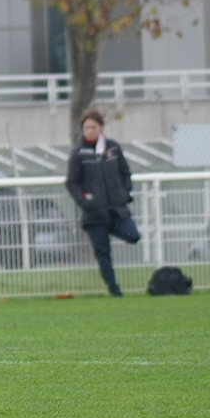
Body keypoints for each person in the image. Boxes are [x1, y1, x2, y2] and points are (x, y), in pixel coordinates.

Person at [65, 108, 139, 297]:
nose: (90, 130)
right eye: (86, 127)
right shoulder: (79, 153)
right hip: (94, 214)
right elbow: (72, 182)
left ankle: (112, 227)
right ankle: (114, 289)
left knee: (133, 236)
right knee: (103, 252)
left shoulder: (112, 148)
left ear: (101, 128)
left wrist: (126, 193)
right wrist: (84, 201)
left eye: (93, 127)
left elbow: (125, 172)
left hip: (116, 209)